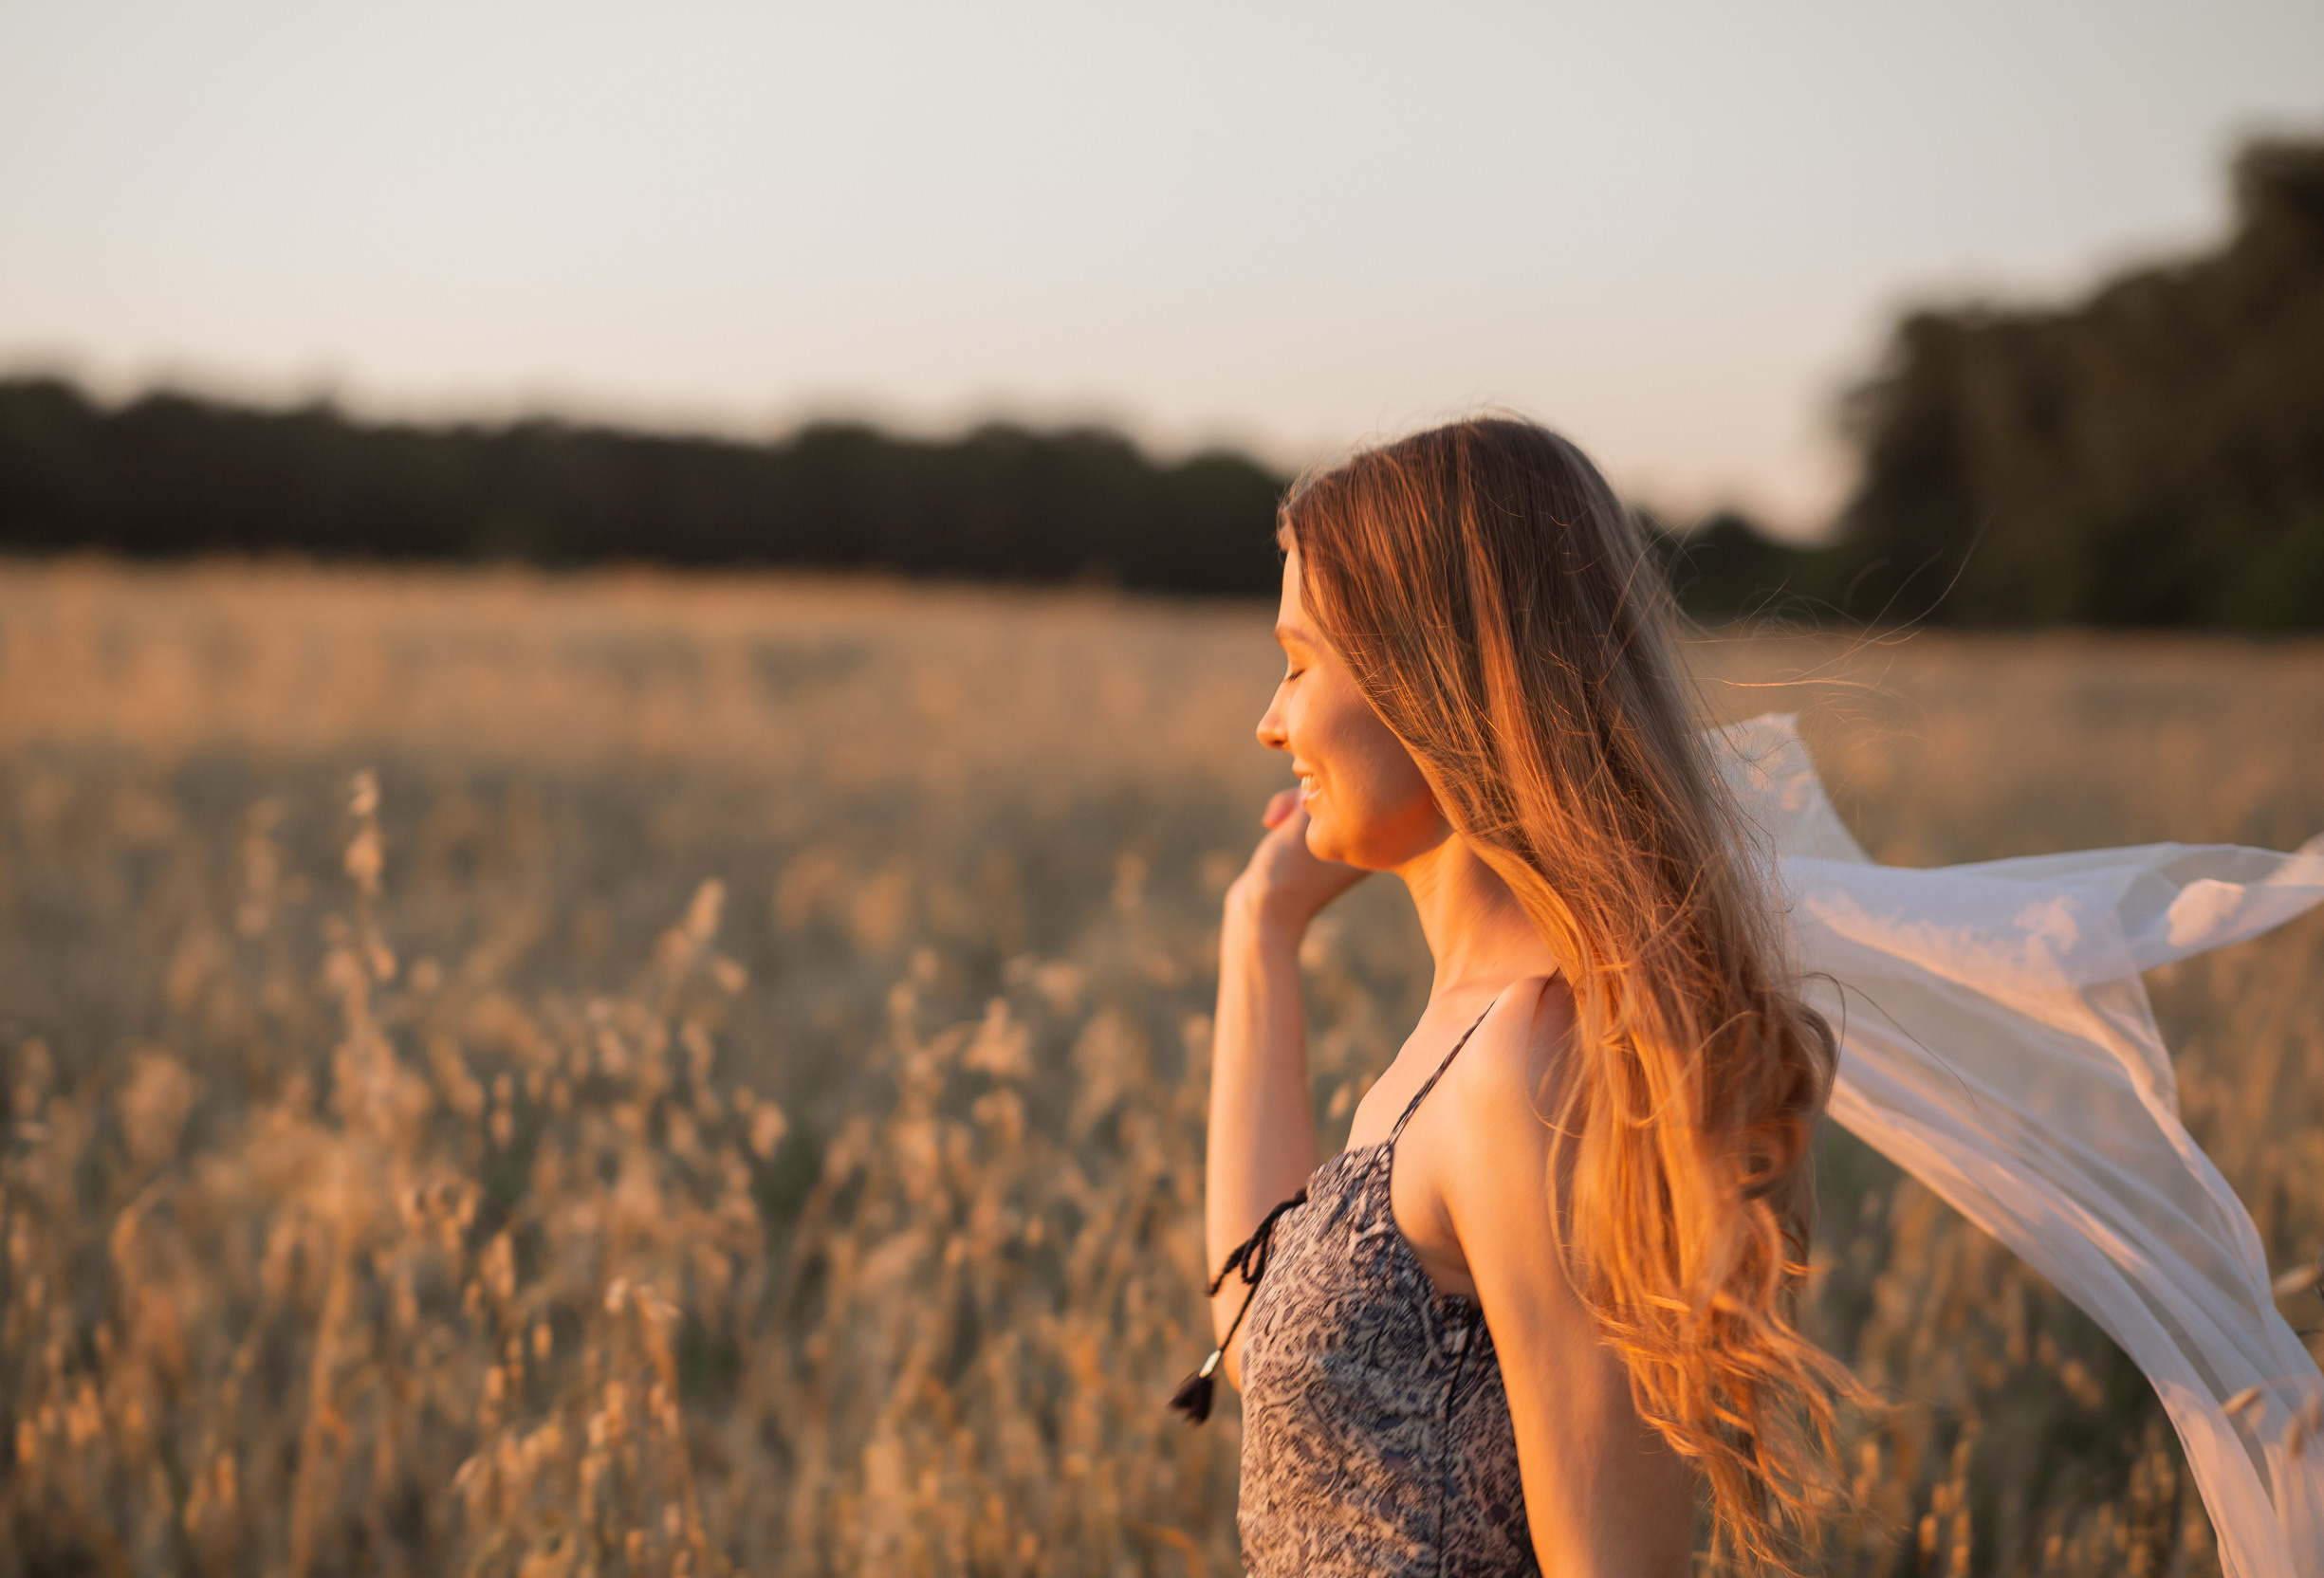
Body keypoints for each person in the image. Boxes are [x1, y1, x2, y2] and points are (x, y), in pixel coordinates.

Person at [1182, 417, 1853, 1575]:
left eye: (1299, 662)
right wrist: (1262, 931)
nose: (1270, 718)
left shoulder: (1526, 1066)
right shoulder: (1461, 1039)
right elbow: (1263, 1342)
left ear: (1429, 676)